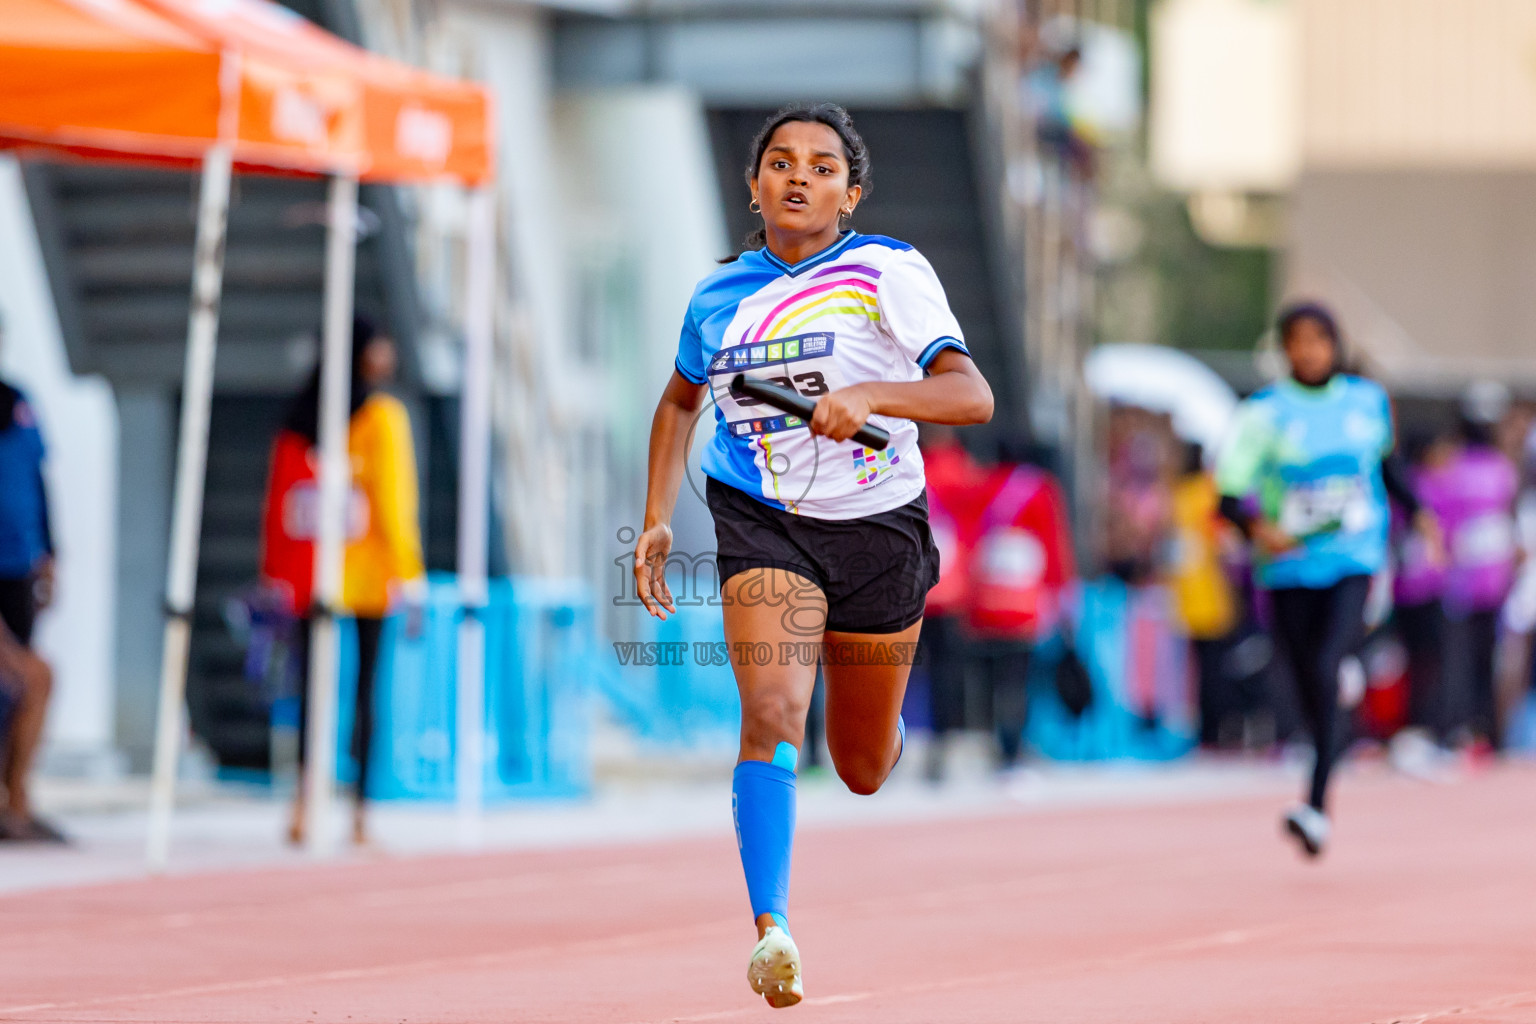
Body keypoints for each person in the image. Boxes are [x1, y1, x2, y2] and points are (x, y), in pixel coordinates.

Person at [633, 104, 993, 1008]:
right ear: (754, 186)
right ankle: (772, 931)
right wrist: (657, 517)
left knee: (861, 766)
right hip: (763, 522)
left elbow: (971, 395)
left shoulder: (886, 271)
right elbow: (679, 405)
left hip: (878, 528)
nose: (800, 177)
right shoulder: (718, 299)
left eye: (823, 166)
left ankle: (883, 719)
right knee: (772, 709)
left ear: (851, 191)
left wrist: (872, 391)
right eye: (781, 163)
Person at [1216, 302, 1439, 858]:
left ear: (1335, 346)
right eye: (1298, 341)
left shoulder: (1366, 403)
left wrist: (1423, 513)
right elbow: (1226, 497)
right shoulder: (1263, 414)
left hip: (1353, 560)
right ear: (1284, 348)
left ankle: (1315, 806)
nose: (1309, 351)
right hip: (1289, 568)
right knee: (1305, 683)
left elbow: (1386, 470)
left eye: (1319, 340)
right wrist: (1257, 527)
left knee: (1323, 666)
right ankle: (1334, 720)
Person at [261, 315, 426, 847]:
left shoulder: (299, 416)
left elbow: (279, 503)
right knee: (365, 693)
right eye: (380, 345)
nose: (389, 355)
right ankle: (360, 813)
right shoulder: (382, 417)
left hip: (314, 573)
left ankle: (303, 805)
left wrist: (275, 573)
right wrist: (410, 574)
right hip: (371, 572)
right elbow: (395, 502)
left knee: (311, 690)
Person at [966, 437, 1073, 771]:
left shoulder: (981, 487)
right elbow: (1054, 546)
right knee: (1019, 677)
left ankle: (994, 740)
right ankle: (1014, 746)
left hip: (985, 598)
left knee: (991, 675)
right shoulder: (1040, 490)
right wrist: (1061, 594)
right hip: (1024, 602)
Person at [0, 331, 64, 843]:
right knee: (28, 678)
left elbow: (39, 481)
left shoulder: (17, 404)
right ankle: (13, 797)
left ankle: (15, 793)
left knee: (22, 684)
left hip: (18, 564)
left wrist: (51, 553)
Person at [1435, 382, 1519, 751]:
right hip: (1462, 582)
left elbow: (1508, 520)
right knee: (1459, 659)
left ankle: (1488, 729)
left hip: (1494, 581)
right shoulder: (1454, 468)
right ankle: (1459, 726)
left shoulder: (1502, 468)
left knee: (1488, 657)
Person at [1165, 443, 1241, 748]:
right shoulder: (1209, 494)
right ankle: (1216, 729)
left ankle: (1199, 730)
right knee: (1216, 668)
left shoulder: (1178, 495)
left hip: (1183, 591)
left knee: (1194, 670)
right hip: (1213, 590)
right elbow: (1225, 543)